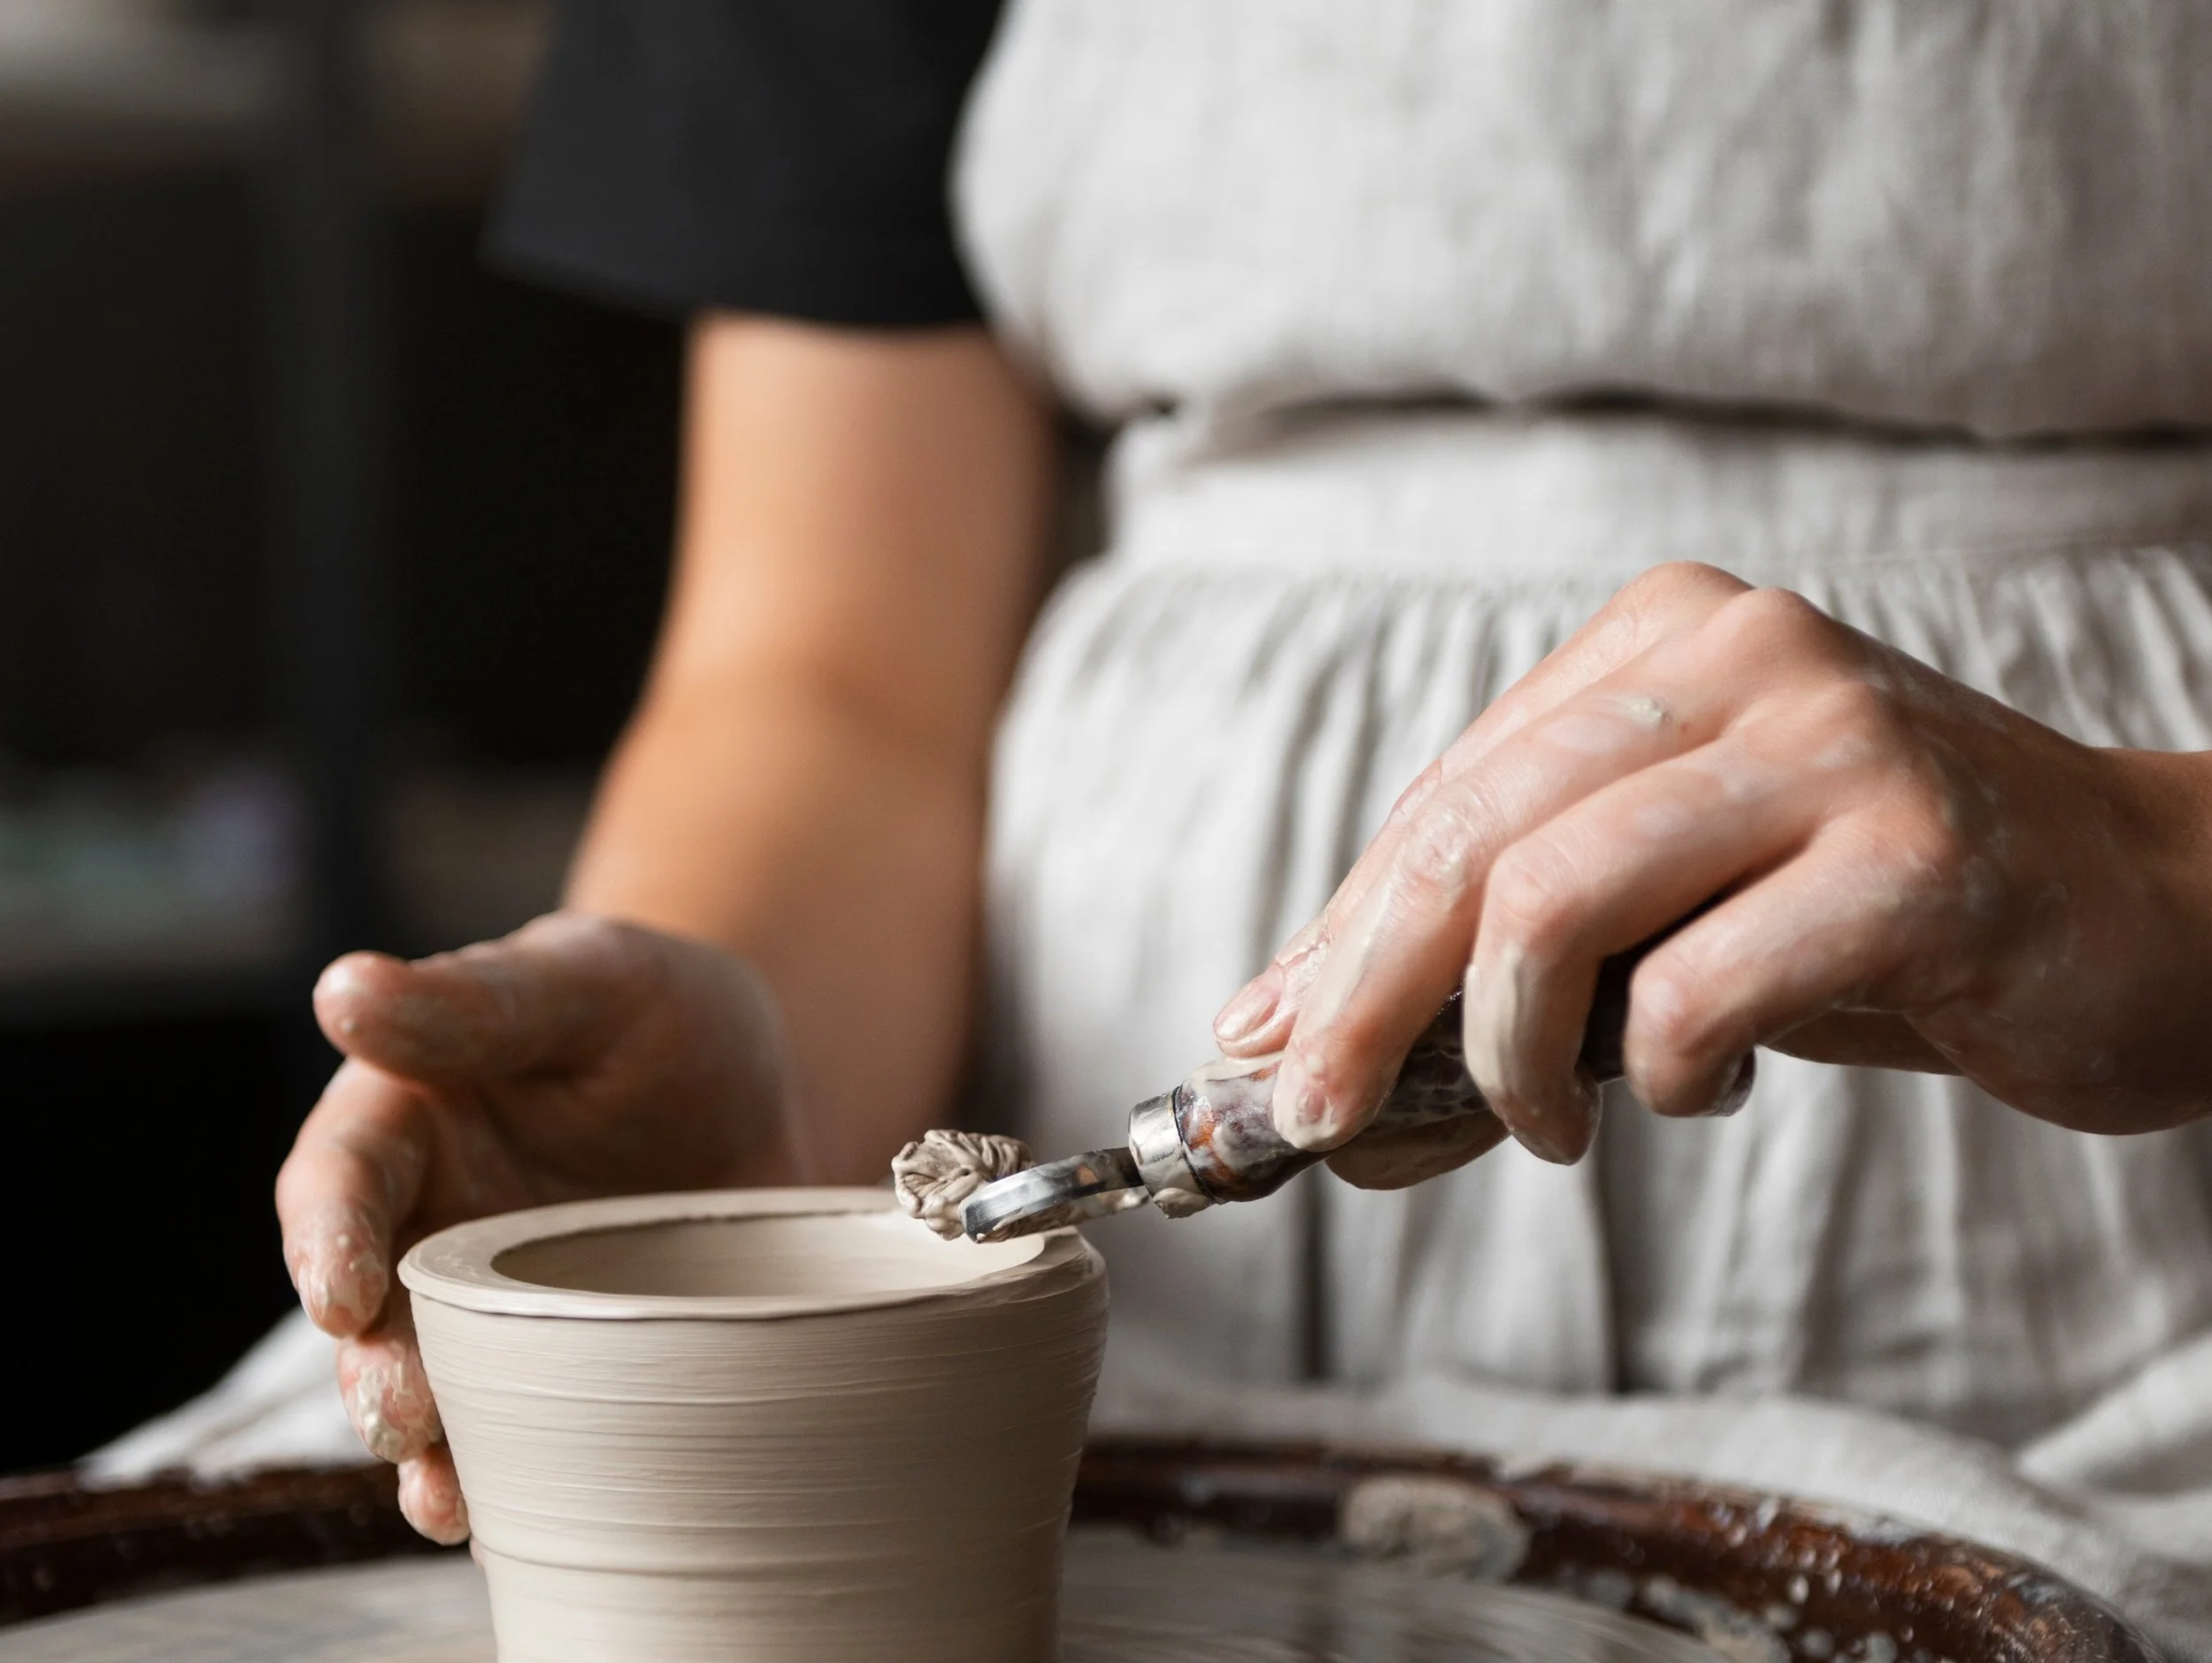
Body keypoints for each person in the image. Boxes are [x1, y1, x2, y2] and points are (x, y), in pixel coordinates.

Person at [275, 1, 2212, 1549]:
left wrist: (2149, 863)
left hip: (2117, 1282)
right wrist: (744, 1124)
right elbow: (834, 670)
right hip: (1135, 1322)